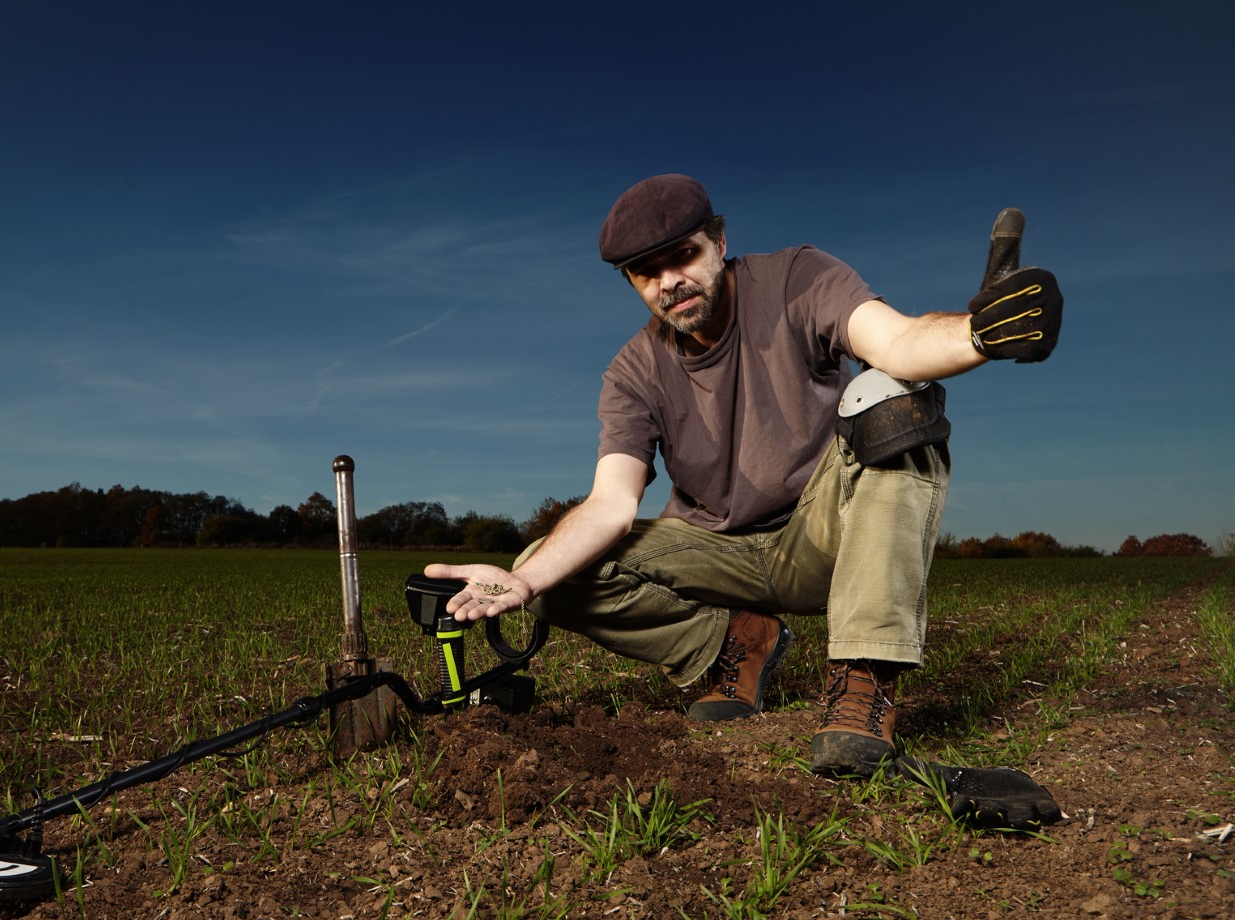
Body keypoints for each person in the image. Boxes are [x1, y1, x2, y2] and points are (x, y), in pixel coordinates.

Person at [426, 174, 1062, 778]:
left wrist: (977, 334)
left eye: (684, 255)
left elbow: (895, 344)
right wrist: (523, 579)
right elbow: (610, 504)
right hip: (721, 558)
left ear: (720, 243)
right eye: (647, 272)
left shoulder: (796, 278)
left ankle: (864, 681)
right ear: (630, 280)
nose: (670, 282)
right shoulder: (631, 373)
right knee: (552, 564)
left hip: (828, 535)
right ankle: (734, 641)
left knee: (896, 400)